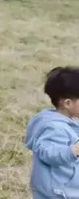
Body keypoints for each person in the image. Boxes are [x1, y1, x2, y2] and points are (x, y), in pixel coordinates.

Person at [25, 66, 79, 199]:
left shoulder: (70, 119)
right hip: (57, 192)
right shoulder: (55, 128)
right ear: (68, 103)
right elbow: (47, 153)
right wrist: (72, 151)